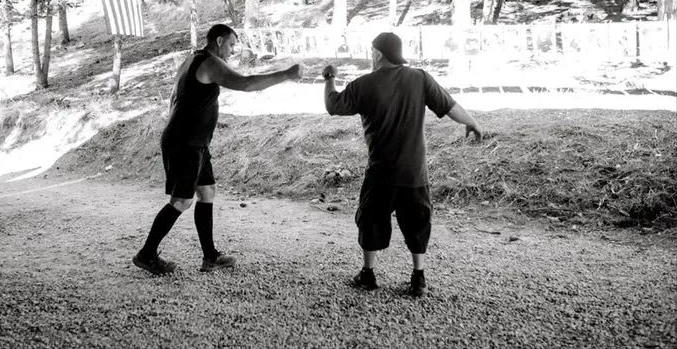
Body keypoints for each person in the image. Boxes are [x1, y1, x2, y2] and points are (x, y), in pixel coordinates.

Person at [322, 32, 483, 296]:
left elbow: (332, 105)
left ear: (378, 54)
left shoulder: (364, 84)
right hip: (414, 172)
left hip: (380, 172)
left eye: (371, 52)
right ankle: (418, 278)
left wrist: (329, 78)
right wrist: (471, 122)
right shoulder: (419, 78)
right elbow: (449, 106)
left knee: (371, 220)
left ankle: (368, 274)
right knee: (418, 222)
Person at [134, 24, 303, 275]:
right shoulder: (210, 62)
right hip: (186, 143)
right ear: (220, 40)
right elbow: (245, 84)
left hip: (194, 142)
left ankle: (210, 257)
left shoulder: (192, 60)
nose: (232, 51)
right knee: (181, 201)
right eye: (232, 45)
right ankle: (146, 254)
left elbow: (173, 100)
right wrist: (287, 74)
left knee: (208, 192)